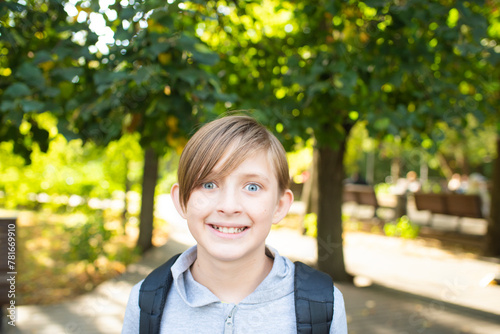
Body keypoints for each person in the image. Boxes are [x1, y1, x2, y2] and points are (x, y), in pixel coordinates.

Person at [121, 115, 347, 333]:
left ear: (279, 206)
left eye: (252, 187)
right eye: (208, 184)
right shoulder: (145, 302)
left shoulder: (323, 304)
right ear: (182, 201)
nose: (229, 207)